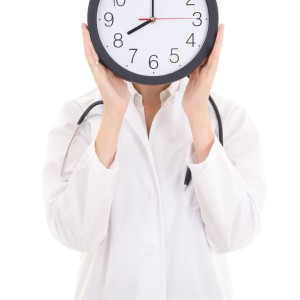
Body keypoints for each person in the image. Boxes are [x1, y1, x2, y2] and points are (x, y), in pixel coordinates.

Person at [41, 22, 267, 300]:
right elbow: (76, 234)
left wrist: (197, 114)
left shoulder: (229, 118)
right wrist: (113, 113)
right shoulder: (79, 118)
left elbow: (236, 234)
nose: (152, 19)